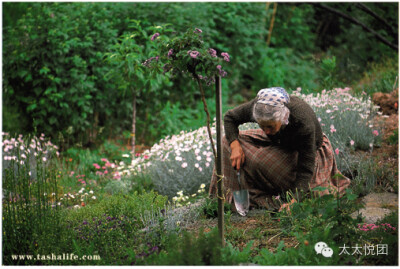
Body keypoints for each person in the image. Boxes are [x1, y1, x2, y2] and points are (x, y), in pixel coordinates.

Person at [209, 87, 351, 212]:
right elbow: (230, 118)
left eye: (270, 126)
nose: (266, 131)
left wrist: (295, 200)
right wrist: (235, 146)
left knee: (262, 162)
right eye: (262, 126)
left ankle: (268, 194)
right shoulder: (261, 106)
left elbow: (306, 168)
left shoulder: (302, 122)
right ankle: (229, 197)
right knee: (226, 142)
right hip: (280, 142)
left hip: (306, 152)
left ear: (283, 118)